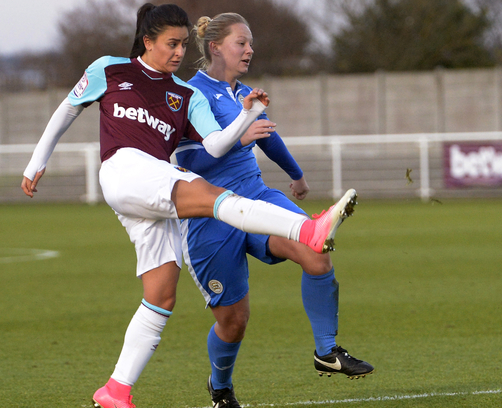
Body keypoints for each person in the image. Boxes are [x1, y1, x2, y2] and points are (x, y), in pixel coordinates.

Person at [20, 4, 358, 408]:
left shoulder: (186, 95)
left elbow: (216, 144)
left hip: (150, 193)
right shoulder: (110, 69)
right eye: (171, 44)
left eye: (183, 44)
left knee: (161, 295)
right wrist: (36, 162)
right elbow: (68, 109)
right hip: (125, 170)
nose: (179, 52)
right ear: (148, 42)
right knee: (214, 197)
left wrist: (247, 114)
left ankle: (116, 390)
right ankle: (306, 229)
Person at [173, 13, 374, 408]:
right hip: (209, 213)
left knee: (315, 252)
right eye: (241, 43)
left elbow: (267, 137)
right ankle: (221, 387)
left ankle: (327, 352)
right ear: (215, 47)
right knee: (234, 322)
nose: (249, 50)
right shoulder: (186, 94)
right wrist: (240, 136)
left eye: (250, 44)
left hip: (256, 195)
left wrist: (296, 176)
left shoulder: (244, 93)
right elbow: (189, 156)